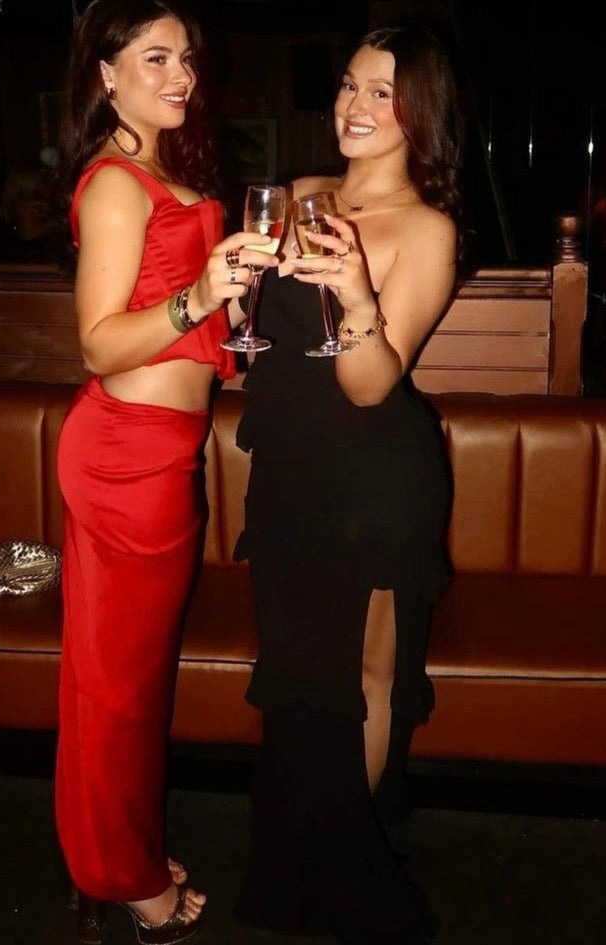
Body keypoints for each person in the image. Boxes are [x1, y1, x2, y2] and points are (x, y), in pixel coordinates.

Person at [231, 23, 463, 945]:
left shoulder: (427, 229)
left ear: (420, 112)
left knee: (363, 676)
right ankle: (315, 852)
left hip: (374, 480)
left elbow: (371, 385)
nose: (355, 107)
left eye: (381, 92)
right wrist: (231, 285)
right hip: (287, 470)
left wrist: (358, 298)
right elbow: (255, 342)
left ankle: (337, 865)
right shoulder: (297, 197)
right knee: (297, 673)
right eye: (348, 85)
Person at [51, 2, 267, 943]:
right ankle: (123, 876)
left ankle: (121, 849)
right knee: (118, 689)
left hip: (161, 453)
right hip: (123, 457)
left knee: (133, 682)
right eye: (154, 58)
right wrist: (200, 294)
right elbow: (100, 344)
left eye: (185, 58)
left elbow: (189, 320)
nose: (180, 75)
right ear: (106, 75)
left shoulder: (165, 171)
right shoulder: (114, 183)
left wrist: (234, 301)